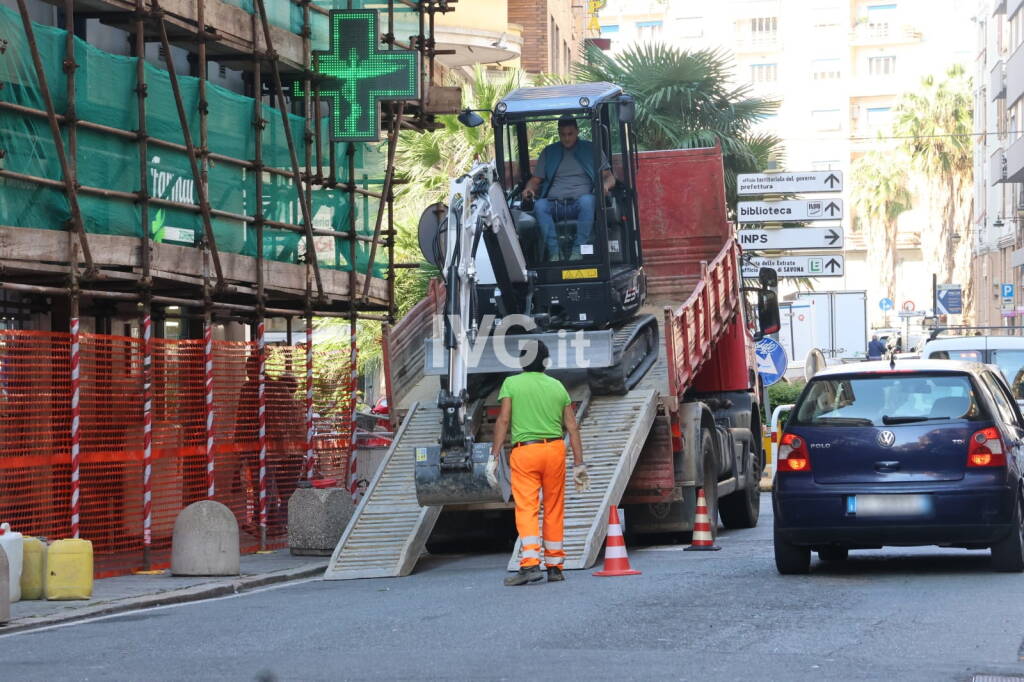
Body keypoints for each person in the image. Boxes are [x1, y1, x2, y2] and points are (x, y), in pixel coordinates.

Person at [488, 339, 590, 586]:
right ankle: (555, 567)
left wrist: (493, 456)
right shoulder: (557, 387)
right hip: (555, 450)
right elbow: (572, 427)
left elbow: (503, 421)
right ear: (545, 362)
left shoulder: (512, 383)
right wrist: (579, 464)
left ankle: (530, 565)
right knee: (554, 507)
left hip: (526, 452)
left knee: (527, 507)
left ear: (522, 361)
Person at [522, 117, 616, 261]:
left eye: (570, 133)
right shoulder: (549, 152)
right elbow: (535, 181)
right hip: (555, 205)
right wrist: (529, 189)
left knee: (588, 201)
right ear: (559, 134)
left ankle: (578, 251)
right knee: (540, 205)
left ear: (577, 132)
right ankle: (554, 253)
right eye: (562, 134)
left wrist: (605, 186)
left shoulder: (591, 149)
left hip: (580, 204)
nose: (566, 138)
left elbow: (610, 177)